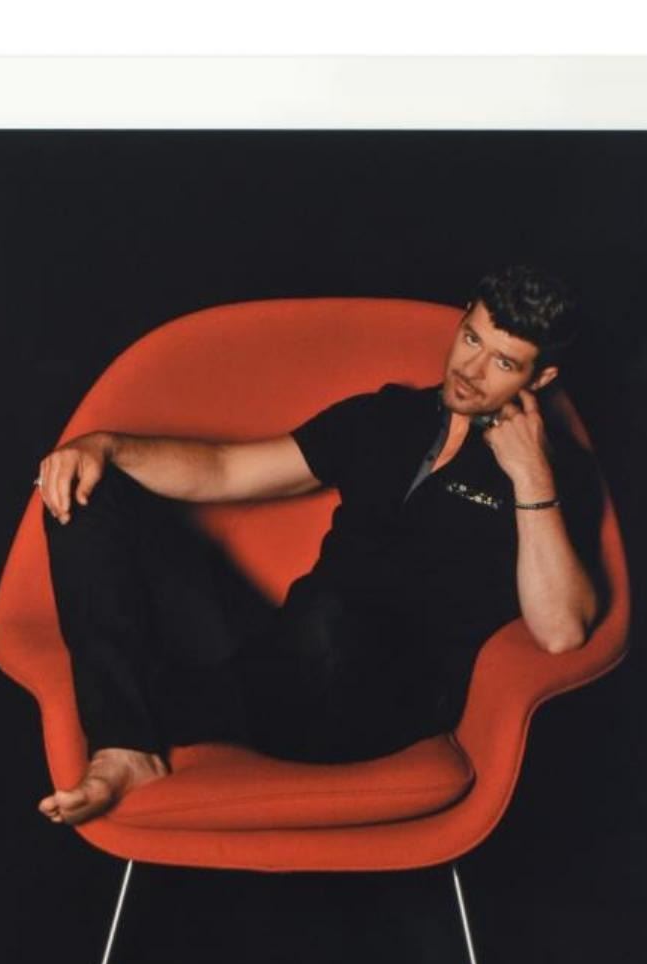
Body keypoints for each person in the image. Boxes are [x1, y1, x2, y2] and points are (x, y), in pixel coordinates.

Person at [35, 265, 603, 826]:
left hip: (383, 705)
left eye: (504, 363)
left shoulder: (557, 473)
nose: (471, 370)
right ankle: (125, 747)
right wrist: (104, 447)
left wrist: (530, 476)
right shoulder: (385, 416)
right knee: (90, 488)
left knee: (334, 618)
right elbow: (226, 469)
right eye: (472, 339)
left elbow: (561, 631)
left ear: (541, 378)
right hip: (281, 665)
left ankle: (175, 706)